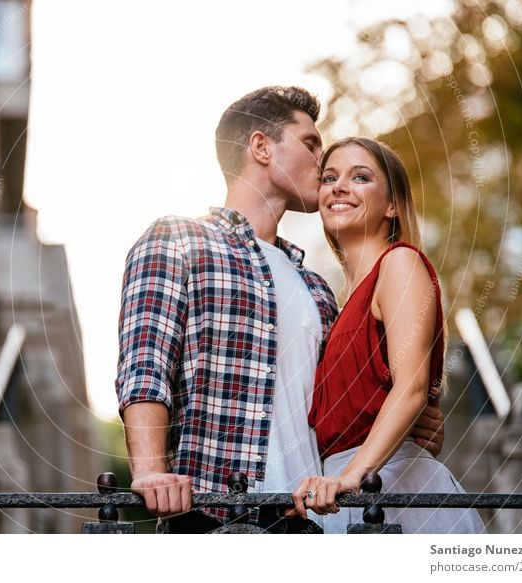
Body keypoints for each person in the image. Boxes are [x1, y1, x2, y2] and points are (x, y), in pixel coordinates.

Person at [116, 88, 445, 533]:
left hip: (310, 519)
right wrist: (150, 469)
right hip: (214, 514)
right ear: (261, 147)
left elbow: (352, 395)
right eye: (310, 144)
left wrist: (418, 422)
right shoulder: (179, 240)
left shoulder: (318, 288)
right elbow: (145, 367)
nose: (321, 160)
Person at [291, 137, 484, 534]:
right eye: (329, 177)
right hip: (345, 491)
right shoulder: (336, 303)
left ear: (393, 205)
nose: (339, 186)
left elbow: (410, 388)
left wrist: (352, 475)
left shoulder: (399, 263)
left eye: (360, 176)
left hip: (387, 487)